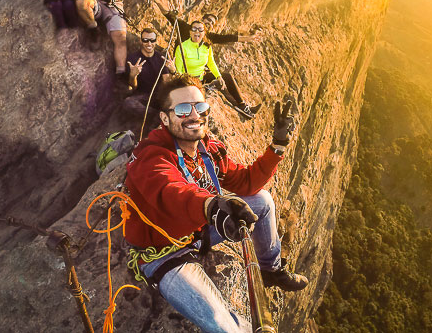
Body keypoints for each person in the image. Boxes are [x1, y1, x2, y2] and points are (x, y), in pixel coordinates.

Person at [124, 74, 307, 333]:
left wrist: (277, 146)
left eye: (200, 107)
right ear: (165, 118)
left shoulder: (207, 148)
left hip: (199, 229)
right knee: (223, 326)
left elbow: (245, 183)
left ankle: (271, 269)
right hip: (165, 251)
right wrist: (211, 206)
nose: (194, 115)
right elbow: (171, 191)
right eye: (183, 109)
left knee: (262, 200)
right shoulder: (150, 156)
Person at [174, 20, 259, 119]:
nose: (197, 32)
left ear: (204, 33)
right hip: (190, 81)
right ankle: (241, 107)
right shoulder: (182, 47)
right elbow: (178, 71)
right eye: (194, 29)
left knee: (226, 77)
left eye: (200, 29)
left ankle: (242, 106)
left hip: (201, 77)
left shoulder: (206, 46)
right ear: (190, 32)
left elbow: (211, 62)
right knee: (219, 87)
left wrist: (219, 76)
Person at [123, 27, 176, 126]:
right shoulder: (133, 58)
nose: (149, 44)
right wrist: (133, 76)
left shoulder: (161, 58)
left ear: (156, 41)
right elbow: (133, 86)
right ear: (140, 40)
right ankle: (157, 118)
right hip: (142, 96)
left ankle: (159, 118)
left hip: (159, 96)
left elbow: (167, 83)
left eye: (152, 40)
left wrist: (172, 71)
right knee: (128, 103)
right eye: (145, 40)